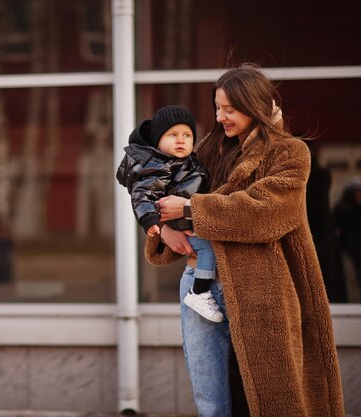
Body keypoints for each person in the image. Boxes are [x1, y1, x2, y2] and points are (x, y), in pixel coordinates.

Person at [145, 63, 345, 416]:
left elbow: (267, 212)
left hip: (260, 290)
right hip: (199, 285)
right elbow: (164, 189)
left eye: (230, 108)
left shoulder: (289, 152)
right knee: (211, 397)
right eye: (217, 107)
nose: (220, 116)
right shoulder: (210, 151)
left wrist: (191, 209)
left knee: (269, 398)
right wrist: (166, 227)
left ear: (254, 105)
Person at [115, 105, 222, 322]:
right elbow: (142, 194)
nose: (181, 140)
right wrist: (150, 220)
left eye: (187, 135)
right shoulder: (157, 166)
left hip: (188, 218)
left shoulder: (185, 161)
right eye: (172, 135)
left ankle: (200, 290)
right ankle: (199, 292)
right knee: (208, 248)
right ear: (157, 142)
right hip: (182, 221)